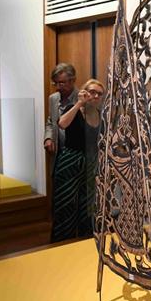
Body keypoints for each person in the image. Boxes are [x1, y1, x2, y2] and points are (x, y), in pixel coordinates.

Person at [51, 78, 104, 242]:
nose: (95, 96)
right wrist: (79, 103)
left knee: (87, 206)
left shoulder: (101, 115)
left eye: (99, 93)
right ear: (84, 92)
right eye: (92, 92)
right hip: (70, 160)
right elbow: (62, 124)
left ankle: (83, 243)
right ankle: (61, 244)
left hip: (90, 163)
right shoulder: (73, 108)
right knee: (66, 205)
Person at [43, 63, 78, 174]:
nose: (58, 87)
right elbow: (50, 121)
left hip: (77, 158)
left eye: (62, 83)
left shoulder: (82, 99)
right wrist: (48, 138)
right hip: (58, 154)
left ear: (73, 80)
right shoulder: (53, 98)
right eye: (55, 83)